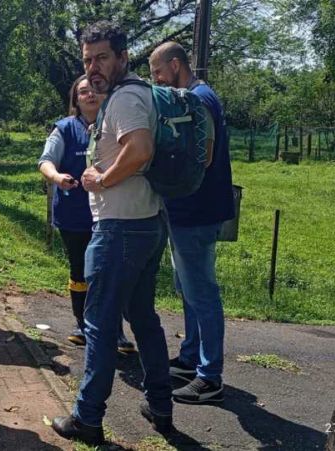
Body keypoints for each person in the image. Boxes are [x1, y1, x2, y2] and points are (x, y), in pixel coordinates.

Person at [51, 22, 173, 445]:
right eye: (87, 59)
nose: (94, 67)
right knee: (142, 316)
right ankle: (159, 402)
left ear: (123, 57)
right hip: (145, 224)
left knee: (99, 323)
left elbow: (140, 149)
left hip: (120, 228)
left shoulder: (126, 98)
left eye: (102, 57)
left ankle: (87, 418)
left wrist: (101, 179)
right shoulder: (136, 94)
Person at [149, 42, 235, 404]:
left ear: (174, 65)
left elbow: (205, 153)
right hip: (186, 209)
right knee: (188, 288)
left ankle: (209, 375)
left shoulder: (199, 99)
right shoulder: (193, 98)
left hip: (196, 210)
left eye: (157, 72)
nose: (156, 79)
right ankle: (190, 356)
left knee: (202, 292)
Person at [38, 75, 137, 353]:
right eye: (83, 92)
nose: (90, 94)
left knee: (109, 272)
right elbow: (45, 161)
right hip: (73, 215)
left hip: (110, 213)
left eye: (94, 89)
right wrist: (57, 178)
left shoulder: (117, 125)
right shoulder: (65, 129)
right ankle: (82, 325)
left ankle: (114, 330)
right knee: (80, 270)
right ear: (76, 100)